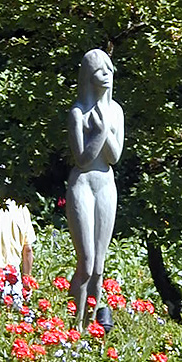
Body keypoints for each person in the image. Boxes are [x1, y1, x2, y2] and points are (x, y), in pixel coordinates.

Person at [66, 48, 124, 327]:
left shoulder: (115, 111)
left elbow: (114, 157)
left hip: (105, 184)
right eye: (100, 71)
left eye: (109, 70)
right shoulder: (78, 113)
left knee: (99, 267)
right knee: (86, 264)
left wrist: (105, 129)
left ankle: (90, 327)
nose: (107, 76)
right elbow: (83, 159)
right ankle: (72, 325)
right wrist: (100, 132)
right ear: (88, 76)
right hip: (83, 183)